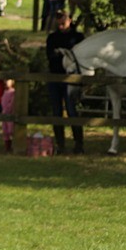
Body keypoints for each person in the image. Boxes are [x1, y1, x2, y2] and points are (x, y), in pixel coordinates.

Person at [46, 10, 85, 155]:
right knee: (57, 112)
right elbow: (50, 56)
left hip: (71, 78)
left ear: (69, 20)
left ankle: (79, 143)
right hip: (55, 77)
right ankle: (60, 144)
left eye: (63, 21)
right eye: (59, 21)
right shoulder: (52, 37)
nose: (61, 24)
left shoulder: (78, 37)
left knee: (72, 110)